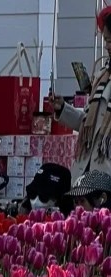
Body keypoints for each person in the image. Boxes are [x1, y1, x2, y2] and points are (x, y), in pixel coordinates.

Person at [51, 6, 111, 178]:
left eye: (110, 41)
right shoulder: (102, 77)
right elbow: (86, 122)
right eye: (106, 40)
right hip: (86, 171)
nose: (107, 46)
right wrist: (63, 109)